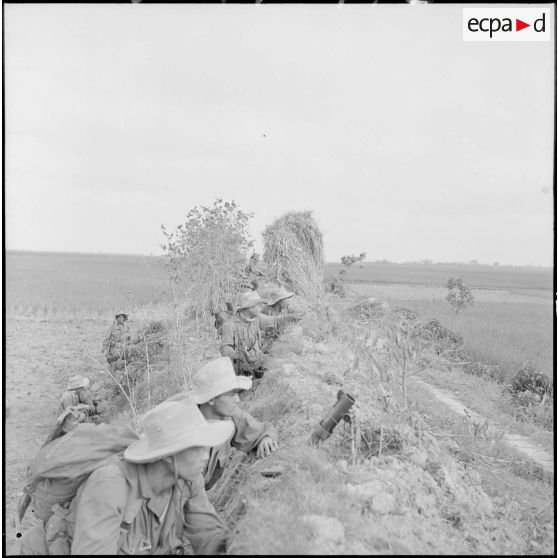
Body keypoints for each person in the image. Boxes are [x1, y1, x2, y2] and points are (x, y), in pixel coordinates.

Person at [19, 398, 235, 555]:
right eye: (197, 448)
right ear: (169, 455)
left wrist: (238, 544)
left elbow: (207, 535)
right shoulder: (110, 486)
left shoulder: (188, 480)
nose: (206, 456)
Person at [169, 357, 278, 490]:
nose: (237, 399)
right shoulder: (180, 433)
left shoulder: (229, 417)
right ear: (211, 399)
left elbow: (260, 431)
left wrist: (266, 438)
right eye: (231, 394)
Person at [219, 291, 298, 378]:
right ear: (251, 308)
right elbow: (224, 348)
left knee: (283, 366)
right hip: (242, 369)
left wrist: (292, 317)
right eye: (258, 306)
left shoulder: (256, 318)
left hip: (258, 361)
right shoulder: (230, 325)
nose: (260, 308)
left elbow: (274, 321)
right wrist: (232, 352)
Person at [259, 285, 296, 353]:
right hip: (267, 338)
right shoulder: (265, 309)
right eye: (285, 299)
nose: (287, 301)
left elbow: (293, 324)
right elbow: (259, 324)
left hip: (283, 337)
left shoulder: (289, 308)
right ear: (279, 301)